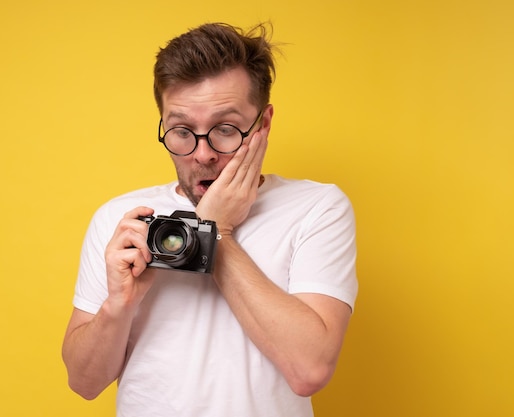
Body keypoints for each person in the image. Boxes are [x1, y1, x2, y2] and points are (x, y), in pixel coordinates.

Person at [62, 22, 358, 417]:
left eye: (225, 129)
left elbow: (309, 369)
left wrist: (215, 232)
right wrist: (118, 305)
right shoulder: (123, 219)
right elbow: (83, 383)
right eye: (183, 130)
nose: (203, 154)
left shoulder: (317, 208)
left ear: (263, 124)